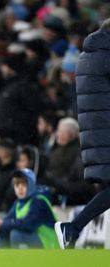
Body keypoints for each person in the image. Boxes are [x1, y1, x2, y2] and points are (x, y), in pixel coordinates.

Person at [55, 19, 110, 249]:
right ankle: (73, 226)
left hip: (98, 131)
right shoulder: (106, 55)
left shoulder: (89, 54)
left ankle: (73, 227)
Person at [0, 169, 59, 249]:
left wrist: (1, 224)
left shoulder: (39, 201)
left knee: (16, 234)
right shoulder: (18, 203)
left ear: (31, 184)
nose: (20, 188)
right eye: (17, 184)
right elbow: (8, 220)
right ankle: (6, 260)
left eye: (24, 184)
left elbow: (28, 224)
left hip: (49, 245)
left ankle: (21, 260)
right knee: (1, 232)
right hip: (35, 240)